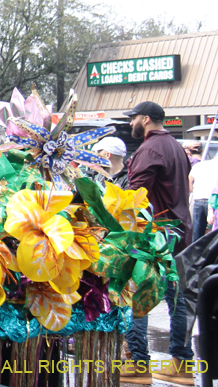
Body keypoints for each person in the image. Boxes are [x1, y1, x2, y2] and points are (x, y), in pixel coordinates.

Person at [120, 101, 194, 386]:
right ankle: (182, 364)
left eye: (134, 118)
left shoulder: (150, 149)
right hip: (179, 234)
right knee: (176, 301)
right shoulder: (175, 146)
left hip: (153, 236)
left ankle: (138, 363)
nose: (131, 124)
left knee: (137, 295)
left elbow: (133, 195)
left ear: (147, 119)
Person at [189, 153, 218, 242]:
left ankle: (194, 254)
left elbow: (189, 180)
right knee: (213, 234)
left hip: (199, 199)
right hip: (214, 202)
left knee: (197, 233)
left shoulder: (199, 165)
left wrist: (193, 192)